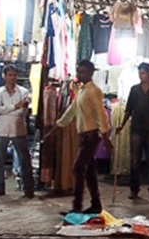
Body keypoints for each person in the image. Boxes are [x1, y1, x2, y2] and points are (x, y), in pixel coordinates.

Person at [44, 60, 113, 215]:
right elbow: (71, 110)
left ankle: (77, 206)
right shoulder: (82, 90)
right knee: (88, 171)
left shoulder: (93, 91)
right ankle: (95, 204)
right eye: (78, 71)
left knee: (78, 168)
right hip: (84, 135)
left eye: (82, 72)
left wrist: (106, 136)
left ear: (90, 73)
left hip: (91, 135)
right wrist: (56, 128)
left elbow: (101, 114)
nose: (79, 74)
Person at [116, 62, 149, 200]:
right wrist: (121, 125)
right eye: (139, 73)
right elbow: (128, 110)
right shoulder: (134, 90)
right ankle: (134, 189)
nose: (141, 75)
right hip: (137, 128)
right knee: (135, 160)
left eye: (143, 73)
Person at [0, 64, 34, 198]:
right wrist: (15, 106)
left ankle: (28, 189)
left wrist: (7, 110)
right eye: (9, 75)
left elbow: (22, 113)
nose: (12, 78)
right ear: (4, 76)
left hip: (18, 130)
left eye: (14, 75)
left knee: (25, 161)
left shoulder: (23, 92)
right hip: (2, 130)